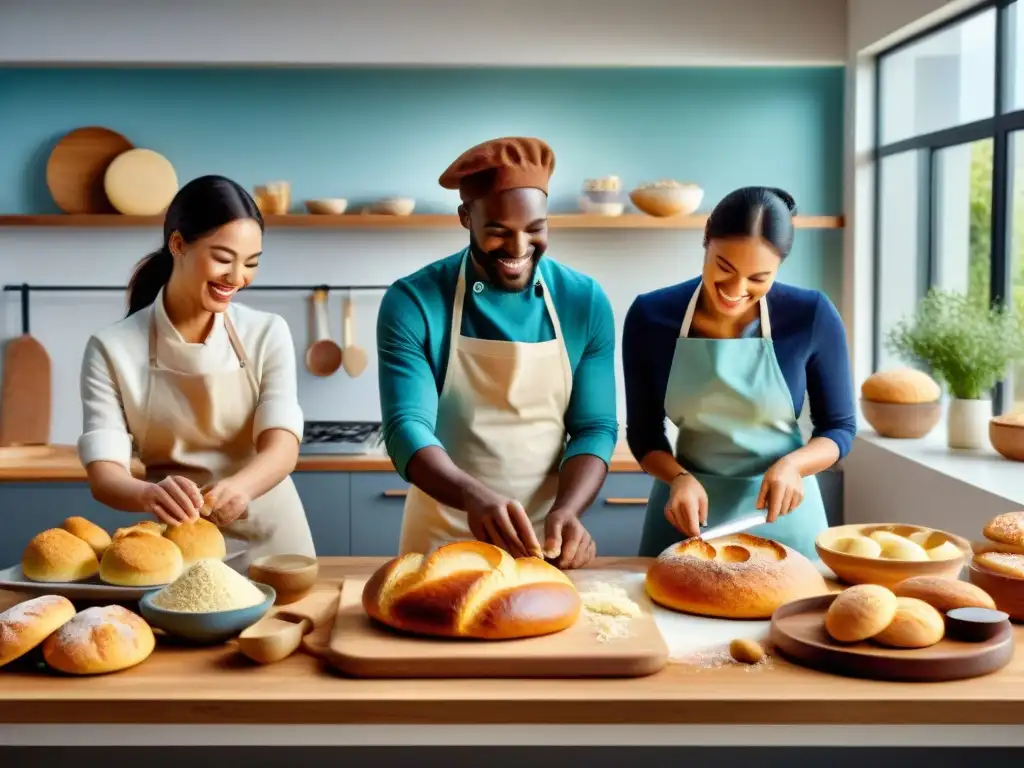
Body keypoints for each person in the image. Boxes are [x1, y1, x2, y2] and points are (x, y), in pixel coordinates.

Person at [376, 137, 618, 569]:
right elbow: (405, 428)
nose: (519, 248)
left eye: (535, 230)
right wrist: (471, 496)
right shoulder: (414, 301)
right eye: (498, 232)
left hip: (544, 540)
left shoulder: (584, 301)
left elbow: (594, 426)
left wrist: (568, 511)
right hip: (443, 534)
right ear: (466, 217)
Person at [77, 174, 315, 566]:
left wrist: (240, 487)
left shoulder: (266, 332)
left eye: (251, 263)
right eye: (223, 258)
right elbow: (105, 475)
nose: (237, 278)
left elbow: (283, 445)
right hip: (177, 543)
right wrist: (146, 494)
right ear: (177, 245)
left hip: (271, 537)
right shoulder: (112, 348)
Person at [622, 186, 856, 559]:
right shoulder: (651, 316)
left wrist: (794, 465)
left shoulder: (810, 314)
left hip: (784, 508)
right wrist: (678, 478)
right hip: (687, 509)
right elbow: (645, 433)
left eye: (758, 278)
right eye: (724, 267)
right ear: (706, 241)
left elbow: (840, 428)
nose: (736, 290)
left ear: (779, 267)